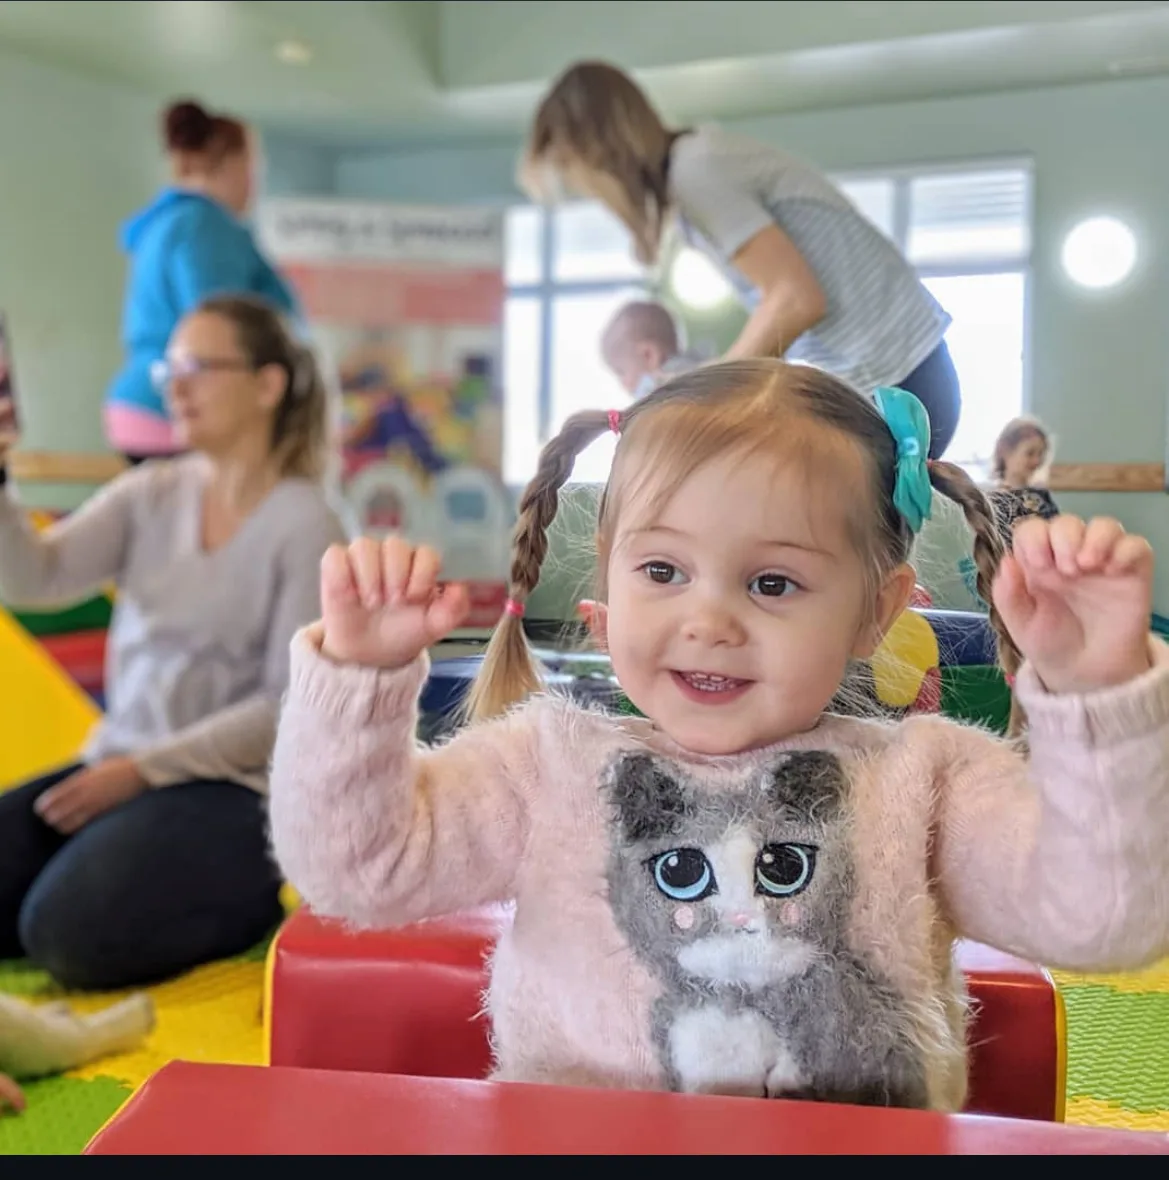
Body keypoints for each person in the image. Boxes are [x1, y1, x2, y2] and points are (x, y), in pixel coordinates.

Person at [268, 359, 1169, 1112]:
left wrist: (1097, 695)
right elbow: (358, 872)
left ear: (874, 614)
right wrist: (359, 681)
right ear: (604, 602)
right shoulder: (543, 766)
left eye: (772, 583)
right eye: (663, 570)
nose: (708, 620)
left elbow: (1107, 920)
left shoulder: (926, 778)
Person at [0, 295, 348, 991]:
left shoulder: (305, 521)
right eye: (170, 368)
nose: (174, 384)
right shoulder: (149, 491)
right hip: (119, 763)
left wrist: (142, 772)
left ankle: (249, 899)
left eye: (197, 365)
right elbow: (36, 578)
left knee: (67, 936)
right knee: (40, 913)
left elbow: (286, 708)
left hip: (226, 787)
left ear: (266, 384)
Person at [520, 61, 961, 459]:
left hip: (904, 381)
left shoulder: (698, 171)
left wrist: (709, 385)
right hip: (899, 379)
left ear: (602, 152)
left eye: (577, 171)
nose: (591, 194)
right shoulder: (695, 175)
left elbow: (796, 299)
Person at [104, 99, 301, 464]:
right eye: (252, 169)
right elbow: (219, 329)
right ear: (228, 164)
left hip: (142, 402)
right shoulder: (207, 228)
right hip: (177, 410)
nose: (253, 186)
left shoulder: (166, 223)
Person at [601, 299, 705, 399]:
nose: (623, 385)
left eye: (622, 372)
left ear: (648, 355)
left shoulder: (660, 387)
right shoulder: (701, 371)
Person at [987, 416, 1060, 552]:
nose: (1036, 461)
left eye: (1041, 454)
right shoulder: (990, 501)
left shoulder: (1042, 497)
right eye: (1030, 453)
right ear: (1005, 451)